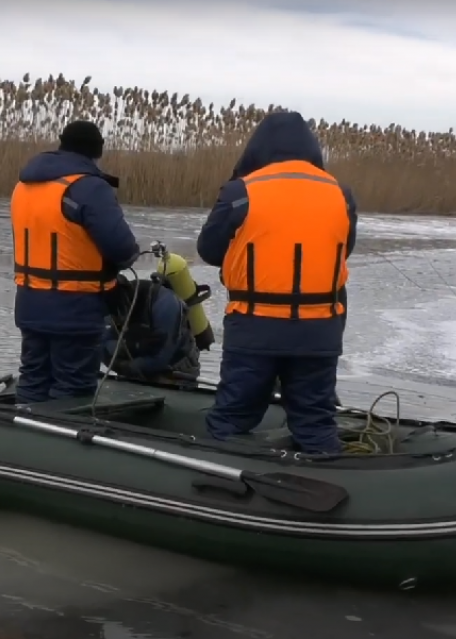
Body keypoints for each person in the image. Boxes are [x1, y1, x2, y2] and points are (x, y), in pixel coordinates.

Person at [196, 111, 357, 454]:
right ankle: (330, 486)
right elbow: (345, 250)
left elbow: (208, 250)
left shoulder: (240, 192)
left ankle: (216, 482)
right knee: (315, 422)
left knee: (231, 417)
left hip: (254, 330)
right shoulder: (341, 196)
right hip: (319, 332)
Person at [11, 120, 140, 404]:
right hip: (76, 309)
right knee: (73, 390)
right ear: (96, 152)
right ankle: (59, 440)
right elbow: (121, 248)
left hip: (30, 303)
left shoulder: (24, 185)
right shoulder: (89, 188)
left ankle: (22, 433)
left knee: (33, 379)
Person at [102, 274, 201, 382]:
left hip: (175, 369)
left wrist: (122, 362)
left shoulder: (165, 305)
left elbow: (161, 358)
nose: (115, 319)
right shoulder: (108, 305)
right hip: (135, 366)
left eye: (117, 314)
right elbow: (101, 346)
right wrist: (133, 346)